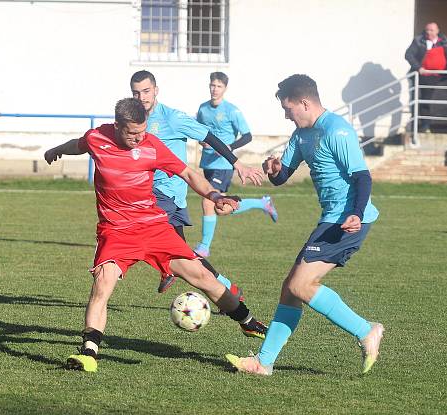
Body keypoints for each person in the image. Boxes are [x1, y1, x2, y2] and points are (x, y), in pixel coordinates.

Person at [44, 98, 268, 372]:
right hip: (116, 232)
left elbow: (187, 172)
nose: (139, 138)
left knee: (202, 276)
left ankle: (248, 321)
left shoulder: (151, 145)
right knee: (102, 285)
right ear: (117, 126)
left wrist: (214, 194)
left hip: (153, 228)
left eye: (142, 131)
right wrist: (57, 149)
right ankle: (89, 353)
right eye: (131, 133)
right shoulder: (97, 138)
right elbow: (78, 144)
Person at [226, 74, 384, 376]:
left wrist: (356, 212)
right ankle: (264, 362)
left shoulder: (337, 131)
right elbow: (283, 175)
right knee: (290, 290)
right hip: (331, 219)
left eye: (288, 109)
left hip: (348, 220)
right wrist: (272, 171)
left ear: (305, 102)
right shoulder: (301, 135)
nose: (286, 115)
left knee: (300, 285)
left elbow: (362, 176)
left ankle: (366, 330)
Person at [129, 70, 266, 297]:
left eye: (146, 91)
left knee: (143, 237)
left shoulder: (172, 118)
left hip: (167, 195)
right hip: (149, 193)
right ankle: (229, 291)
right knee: (185, 256)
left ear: (156, 91)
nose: (141, 97)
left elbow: (209, 136)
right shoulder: (134, 119)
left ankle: (167, 267)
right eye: (136, 92)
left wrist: (237, 164)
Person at [195, 72, 278, 258]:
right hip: (207, 162)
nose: (214, 89)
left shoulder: (232, 110)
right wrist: (202, 142)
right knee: (221, 208)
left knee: (208, 201)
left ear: (225, 88)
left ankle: (204, 247)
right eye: (212, 85)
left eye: (218, 86)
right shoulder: (202, 109)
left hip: (223, 164)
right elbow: (199, 133)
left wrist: (228, 147)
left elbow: (247, 136)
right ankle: (262, 203)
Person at [404, 22, 447, 132]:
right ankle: (425, 125)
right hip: (426, 74)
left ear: (437, 31)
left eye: (432, 30)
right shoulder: (419, 40)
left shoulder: (443, 40)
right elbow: (408, 55)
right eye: (427, 30)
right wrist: (419, 68)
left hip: (441, 71)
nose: (429, 33)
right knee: (425, 100)